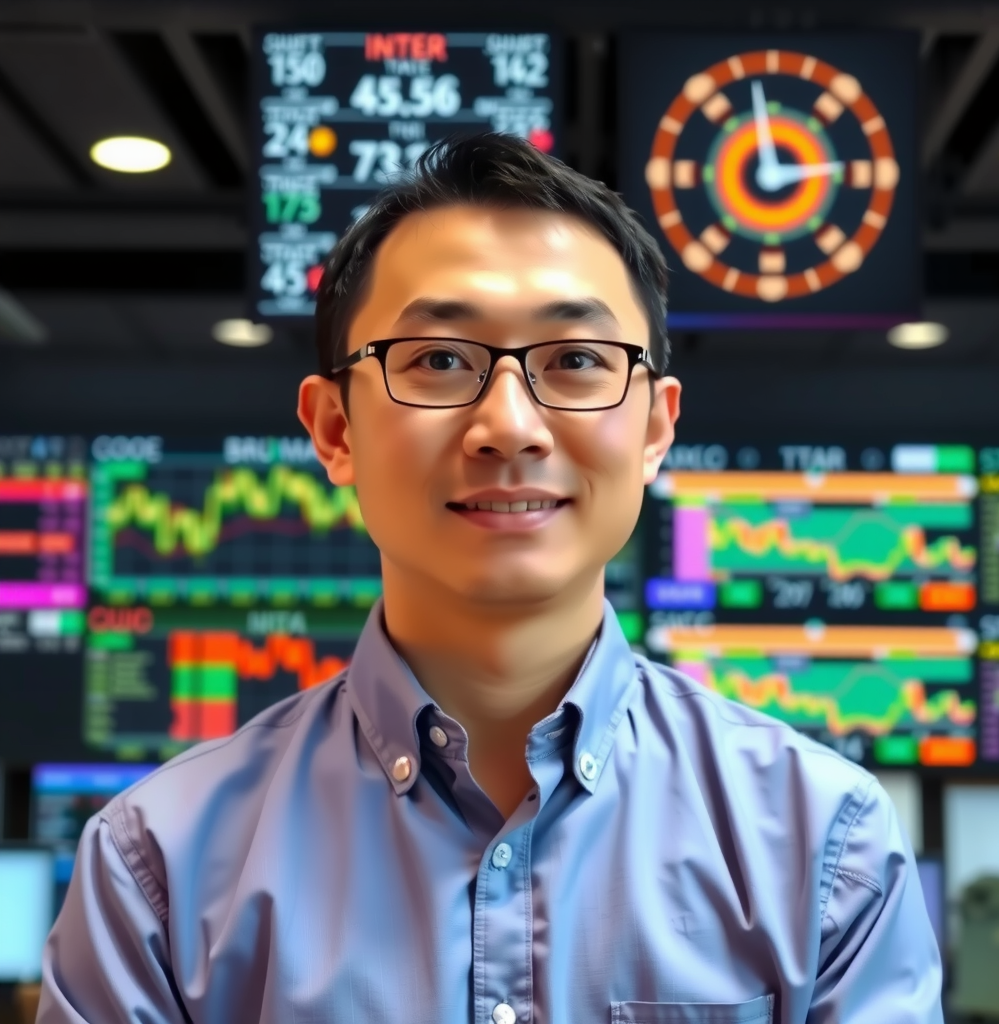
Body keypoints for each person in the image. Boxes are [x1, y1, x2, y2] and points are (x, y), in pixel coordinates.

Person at [38, 134, 942, 1023]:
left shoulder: (827, 848)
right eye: (438, 361)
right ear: (334, 431)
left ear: (656, 430)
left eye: (577, 362)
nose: (510, 426)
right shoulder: (157, 867)